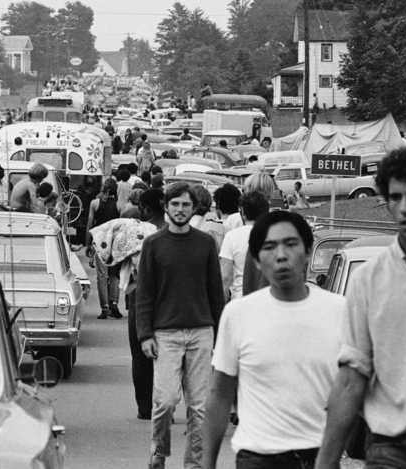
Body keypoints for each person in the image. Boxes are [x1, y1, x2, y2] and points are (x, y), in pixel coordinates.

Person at [316, 147, 406, 469]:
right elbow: (351, 378)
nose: (404, 208)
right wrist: (326, 461)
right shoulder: (368, 281)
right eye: (395, 197)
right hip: (394, 449)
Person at [202, 210, 345, 469]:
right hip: (258, 456)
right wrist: (206, 463)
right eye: (269, 247)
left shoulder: (340, 311)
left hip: (320, 456)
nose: (281, 255)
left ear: (308, 252)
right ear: (256, 260)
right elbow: (220, 395)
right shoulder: (238, 314)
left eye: (291, 244)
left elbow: (351, 392)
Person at [136, 182, 224, 469]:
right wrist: (145, 334)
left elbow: (215, 292)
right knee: (165, 402)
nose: (180, 209)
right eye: (175, 204)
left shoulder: (206, 243)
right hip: (165, 334)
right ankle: (159, 453)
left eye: (186, 205)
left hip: (201, 332)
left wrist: (221, 335)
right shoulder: (153, 244)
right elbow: (144, 294)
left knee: (199, 408)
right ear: (166, 206)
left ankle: (194, 464)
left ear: (193, 208)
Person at [127, 189, 166, 421]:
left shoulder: (137, 233)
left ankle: (145, 407)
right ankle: (163, 405)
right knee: (166, 356)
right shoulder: (172, 233)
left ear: (145, 208)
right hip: (166, 301)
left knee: (140, 356)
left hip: (139, 298)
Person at [220, 192, 269, 301]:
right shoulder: (274, 235)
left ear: (242, 212)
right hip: (269, 299)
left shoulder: (232, 236)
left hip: (240, 298)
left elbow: (225, 277)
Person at [86, 177, 122, 319]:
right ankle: (114, 303)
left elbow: (90, 224)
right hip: (114, 242)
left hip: (100, 241)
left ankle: (105, 307)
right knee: (114, 275)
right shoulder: (120, 206)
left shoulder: (95, 203)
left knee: (102, 276)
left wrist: (88, 244)